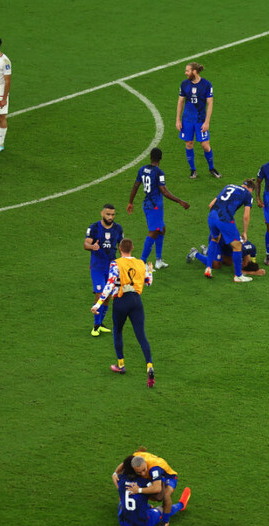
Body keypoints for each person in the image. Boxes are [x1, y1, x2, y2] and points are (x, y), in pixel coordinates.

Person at [91, 238, 155, 387]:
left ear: (120, 248)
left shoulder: (116, 263)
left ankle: (121, 365)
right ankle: (149, 366)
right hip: (136, 301)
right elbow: (148, 282)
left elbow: (110, 284)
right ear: (132, 248)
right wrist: (150, 271)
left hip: (121, 301)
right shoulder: (141, 264)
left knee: (118, 331)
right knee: (141, 336)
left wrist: (98, 304)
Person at [126, 147, 190, 271]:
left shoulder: (142, 169)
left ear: (150, 157)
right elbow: (164, 191)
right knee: (154, 231)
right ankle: (142, 262)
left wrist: (130, 202)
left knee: (162, 230)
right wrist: (179, 201)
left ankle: (159, 260)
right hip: (154, 205)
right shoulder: (159, 173)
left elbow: (135, 186)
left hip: (148, 203)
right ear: (160, 159)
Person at [112, 448, 191, 526]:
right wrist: (115, 473)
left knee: (165, 496)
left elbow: (157, 489)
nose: (142, 474)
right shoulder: (134, 459)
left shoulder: (154, 469)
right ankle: (146, 506)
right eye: (139, 472)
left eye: (143, 470)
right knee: (140, 490)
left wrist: (138, 490)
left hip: (168, 477)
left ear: (146, 464)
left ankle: (165, 521)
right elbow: (123, 464)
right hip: (142, 520)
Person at [84, 204, 124, 337]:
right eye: (108, 214)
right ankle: (95, 326)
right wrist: (92, 247)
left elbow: (121, 246)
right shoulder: (94, 227)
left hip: (112, 267)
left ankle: (100, 324)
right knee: (100, 293)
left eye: (113, 215)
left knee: (107, 297)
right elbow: (86, 244)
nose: (110, 217)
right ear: (102, 213)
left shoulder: (118, 229)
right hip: (97, 267)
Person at [176, 62, 220, 179]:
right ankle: (193, 170)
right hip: (187, 120)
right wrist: (178, 120)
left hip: (200, 120)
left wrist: (207, 122)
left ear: (194, 71)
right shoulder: (184, 84)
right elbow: (180, 102)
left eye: (187, 71)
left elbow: (210, 103)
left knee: (205, 145)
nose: (185, 73)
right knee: (189, 144)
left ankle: (211, 168)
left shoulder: (206, 84)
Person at [204, 180, 255, 282]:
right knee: (237, 246)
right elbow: (246, 216)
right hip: (225, 219)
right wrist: (245, 232)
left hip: (212, 216)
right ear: (250, 189)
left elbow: (211, 204)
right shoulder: (247, 195)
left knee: (215, 239)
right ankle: (238, 276)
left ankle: (208, 268)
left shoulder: (228, 186)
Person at [187, 239, 265, 276]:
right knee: (216, 265)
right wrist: (254, 272)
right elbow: (236, 272)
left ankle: (206, 251)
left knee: (228, 262)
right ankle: (195, 253)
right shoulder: (240, 253)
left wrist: (256, 268)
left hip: (228, 244)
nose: (241, 265)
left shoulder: (252, 249)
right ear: (244, 263)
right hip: (219, 241)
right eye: (242, 266)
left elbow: (254, 261)